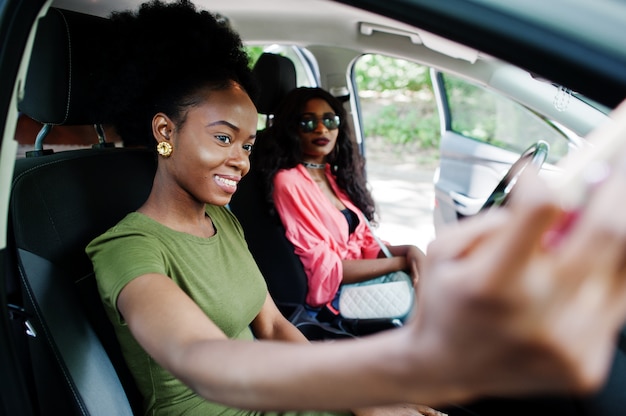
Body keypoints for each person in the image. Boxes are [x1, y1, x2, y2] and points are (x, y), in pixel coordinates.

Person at [85, 0, 626, 415]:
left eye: (248, 145)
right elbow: (201, 362)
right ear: (164, 131)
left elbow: (274, 329)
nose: (242, 161)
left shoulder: (221, 220)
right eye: (224, 138)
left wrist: (362, 397)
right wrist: (401, 368)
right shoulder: (128, 248)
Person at [255, 87, 425, 314]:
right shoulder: (288, 182)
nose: (321, 129)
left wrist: (410, 251)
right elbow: (325, 269)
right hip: (337, 299)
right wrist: (401, 262)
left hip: (361, 283)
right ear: (292, 129)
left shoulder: (331, 176)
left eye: (330, 120)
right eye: (308, 122)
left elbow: (367, 245)